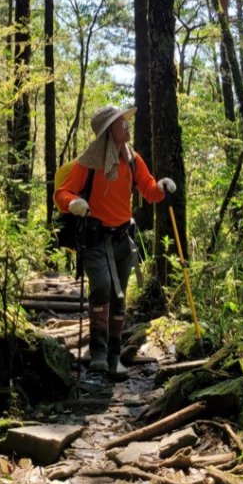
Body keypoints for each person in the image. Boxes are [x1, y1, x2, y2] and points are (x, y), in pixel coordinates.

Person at [54, 104, 176, 378]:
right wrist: (73, 202)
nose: (127, 126)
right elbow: (62, 193)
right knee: (102, 286)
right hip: (95, 239)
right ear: (110, 130)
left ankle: (113, 356)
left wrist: (161, 186)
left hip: (123, 239)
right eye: (122, 123)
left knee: (119, 298)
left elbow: (148, 190)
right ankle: (97, 353)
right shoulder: (89, 163)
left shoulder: (133, 160)